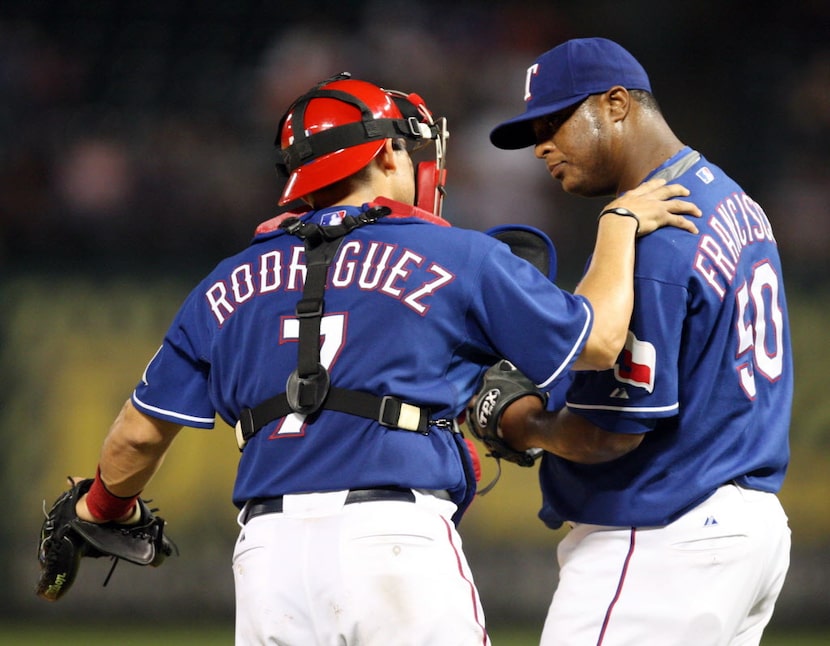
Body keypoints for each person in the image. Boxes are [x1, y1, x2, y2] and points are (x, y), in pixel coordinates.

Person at [67, 72, 698, 645]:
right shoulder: (456, 256)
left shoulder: (223, 284)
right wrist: (617, 224)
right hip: (393, 546)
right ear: (388, 151)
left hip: (265, 560)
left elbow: (135, 439)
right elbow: (599, 343)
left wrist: (102, 508)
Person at [488, 37, 793, 645]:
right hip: (749, 532)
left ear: (618, 103)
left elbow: (609, 435)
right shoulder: (732, 199)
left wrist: (522, 423)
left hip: (663, 538)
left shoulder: (655, 235)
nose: (543, 144)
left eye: (556, 121)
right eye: (534, 131)